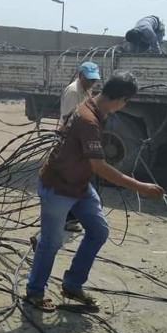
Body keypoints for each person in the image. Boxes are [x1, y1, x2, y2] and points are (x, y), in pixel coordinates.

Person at [25, 72, 165, 312]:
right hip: (58, 186)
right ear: (120, 100)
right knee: (51, 241)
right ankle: (35, 292)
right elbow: (99, 166)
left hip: (79, 184)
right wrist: (141, 187)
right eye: (126, 102)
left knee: (98, 231)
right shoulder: (88, 119)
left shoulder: (94, 107)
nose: (124, 106)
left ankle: (72, 285)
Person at [59, 61, 101, 232]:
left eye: (94, 80)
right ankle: (66, 220)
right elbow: (68, 118)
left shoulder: (86, 90)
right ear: (80, 75)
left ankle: (72, 218)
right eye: (89, 79)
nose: (91, 83)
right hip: (71, 142)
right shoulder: (73, 91)